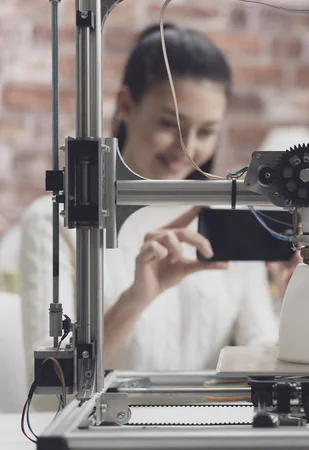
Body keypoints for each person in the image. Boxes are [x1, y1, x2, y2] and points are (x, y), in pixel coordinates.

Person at [19, 24, 279, 374]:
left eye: (206, 131)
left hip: (208, 426)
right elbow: (52, 390)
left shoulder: (228, 216)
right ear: (126, 105)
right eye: (170, 124)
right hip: (104, 429)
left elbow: (259, 345)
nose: (188, 147)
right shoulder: (54, 222)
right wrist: (136, 299)